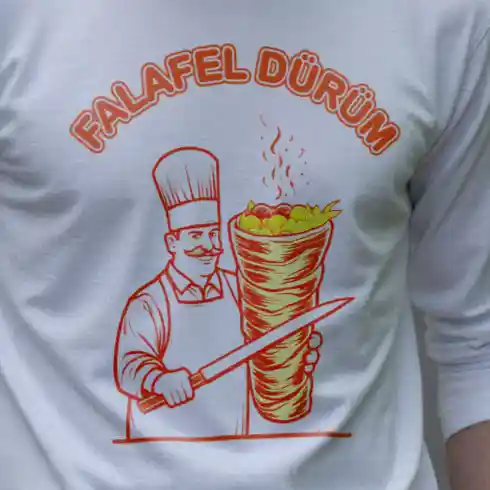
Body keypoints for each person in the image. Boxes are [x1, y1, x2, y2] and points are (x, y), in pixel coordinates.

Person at [0, 2, 489, 490]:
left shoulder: (447, 16)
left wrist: (296, 358)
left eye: (212, 234)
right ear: (173, 241)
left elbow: (477, 344)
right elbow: (130, 364)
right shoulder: (150, 305)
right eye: (195, 237)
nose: (208, 246)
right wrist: (157, 379)